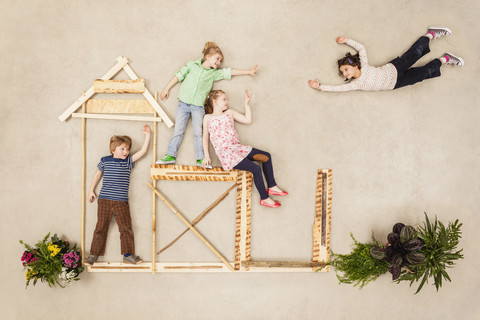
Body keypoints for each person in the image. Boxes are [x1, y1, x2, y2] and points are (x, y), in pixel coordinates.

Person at [157, 42, 258, 166]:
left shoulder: (213, 73)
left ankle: (201, 158)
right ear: (208, 57)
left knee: (198, 132)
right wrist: (166, 88)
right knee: (178, 130)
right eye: (217, 58)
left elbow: (230, 72)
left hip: (198, 107)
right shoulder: (191, 65)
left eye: (220, 61)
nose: (219, 62)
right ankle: (170, 155)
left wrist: (248, 72)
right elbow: (178, 76)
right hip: (183, 103)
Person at [308, 27, 464, 92]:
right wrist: (320, 86)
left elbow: (362, 48)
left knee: (415, 53)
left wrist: (347, 40)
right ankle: (446, 58)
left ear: (355, 66)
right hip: (396, 83)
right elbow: (338, 89)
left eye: (346, 69)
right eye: (344, 74)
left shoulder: (365, 67)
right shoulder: (356, 84)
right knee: (424, 73)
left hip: (395, 68)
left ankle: (431, 33)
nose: (345, 74)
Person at [202, 89, 287, 208]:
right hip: (227, 153)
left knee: (266, 157)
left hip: (237, 148)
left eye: (226, 99)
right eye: (224, 99)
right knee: (256, 169)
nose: (227, 102)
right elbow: (205, 137)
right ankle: (265, 198)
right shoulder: (207, 118)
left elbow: (248, 120)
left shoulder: (229, 112)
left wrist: (247, 104)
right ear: (215, 102)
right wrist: (207, 155)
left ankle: (272, 186)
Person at [84, 125, 151, 265]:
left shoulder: (127, 162)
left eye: (127, 149)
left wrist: (148, 135)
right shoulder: (105, 160)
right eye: (122, 149)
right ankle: (94, 255)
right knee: (100, 227)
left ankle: (128, 255)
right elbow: (97, 175)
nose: (126, 152)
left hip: (121, 201)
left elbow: (143, 151)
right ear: (113, 150)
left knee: (125, 228)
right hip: (104, 200)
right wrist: (91, 191)